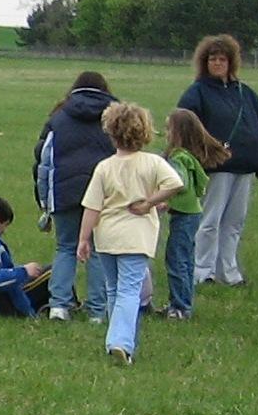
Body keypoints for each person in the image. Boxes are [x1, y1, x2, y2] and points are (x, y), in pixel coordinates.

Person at [77, 101, 183, 365]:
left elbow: (92, 206)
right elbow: (175, 183)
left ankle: (118, 341)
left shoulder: (105, 167)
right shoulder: (152, 163)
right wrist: (149, 202)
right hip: (136, 238)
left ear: (111, 132)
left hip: (107, 237)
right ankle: (120, 342)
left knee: (114, 289)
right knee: (129, 291)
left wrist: (83, 238)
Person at [176, 34, 258, 287]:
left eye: (222, 59)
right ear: (204, 62)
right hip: (215, 168)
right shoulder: (196, 93)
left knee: (234, 223)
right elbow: (184, 128)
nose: (218, 63)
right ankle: (203, 270)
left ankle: (228, 271)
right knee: (210, 221)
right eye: (212, 59)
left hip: (245, 167)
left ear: (231, 62)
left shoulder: (246, 93)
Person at [33, 71, 117, 321]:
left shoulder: (59, 116)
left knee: (66, 247)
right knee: (98, 250)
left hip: (65, 192)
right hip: (103, 194)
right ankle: (97, 310)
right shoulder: (115, 115)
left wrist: (44, 202)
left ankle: (59, 305)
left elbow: (44, 161)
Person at [158, 108, 231, 319]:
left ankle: (179, 307)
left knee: (177, 259)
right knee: (186, 259)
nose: (165, 133)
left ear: (179, 133)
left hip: (183, 215)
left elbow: (178, 183)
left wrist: (164, 200)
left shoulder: (179, 157)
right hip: (192, 213)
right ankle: (184, 303)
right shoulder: (189, 156)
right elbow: (199, 185)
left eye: (168, 128)